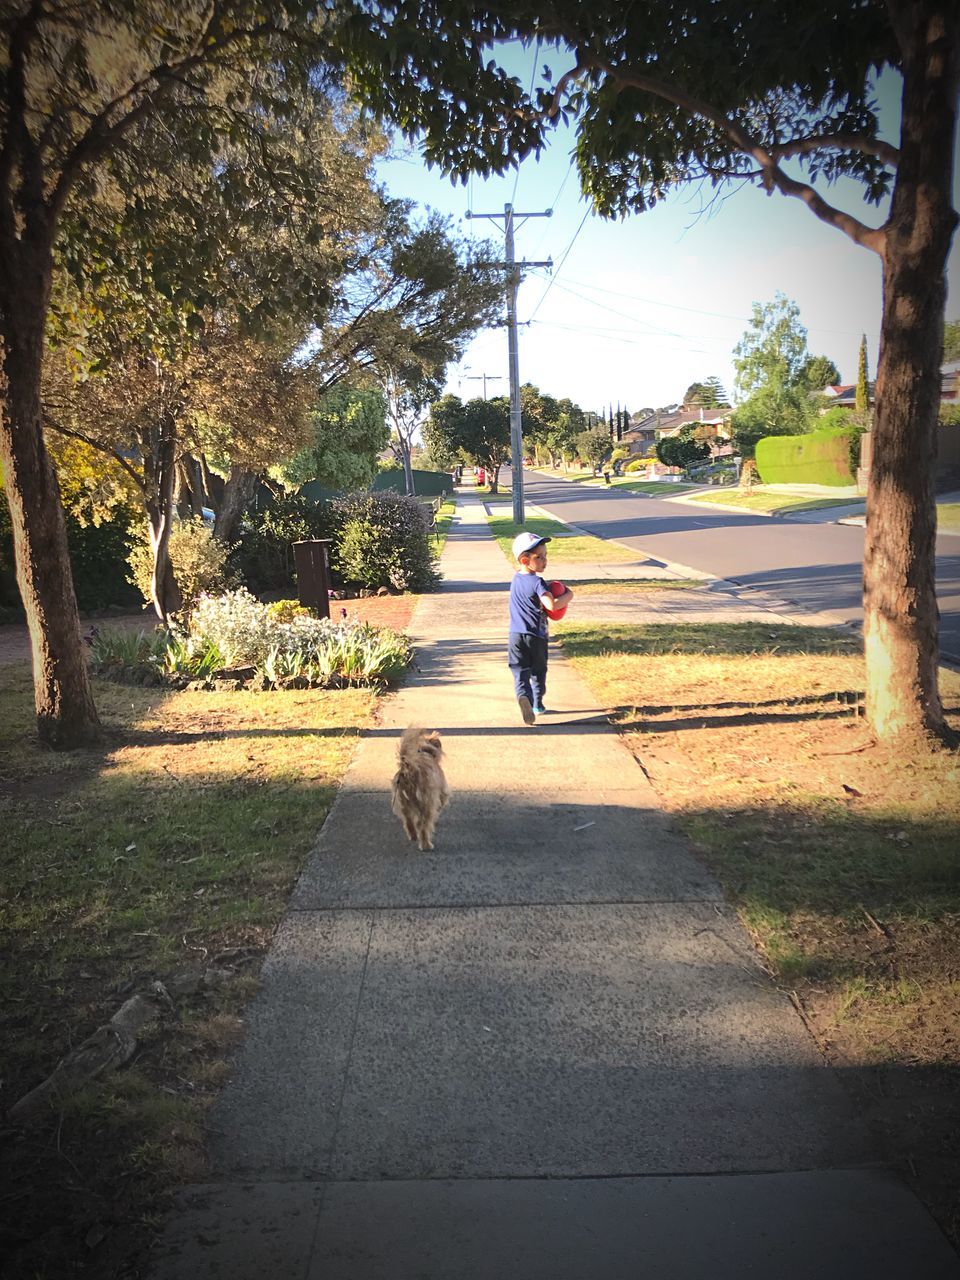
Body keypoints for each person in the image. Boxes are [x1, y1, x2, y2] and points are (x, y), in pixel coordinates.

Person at [508, 531, 574, 726]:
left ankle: (523, 697)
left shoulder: (515, 579)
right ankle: (536, 705)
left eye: (546, 556)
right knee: (538, 671)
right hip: (536, 636)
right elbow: (552, 605)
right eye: (539, 557)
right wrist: (569, 595)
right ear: (524, 559)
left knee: (519, 669)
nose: (545, 561)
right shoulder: (538, 582)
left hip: (515, 636)